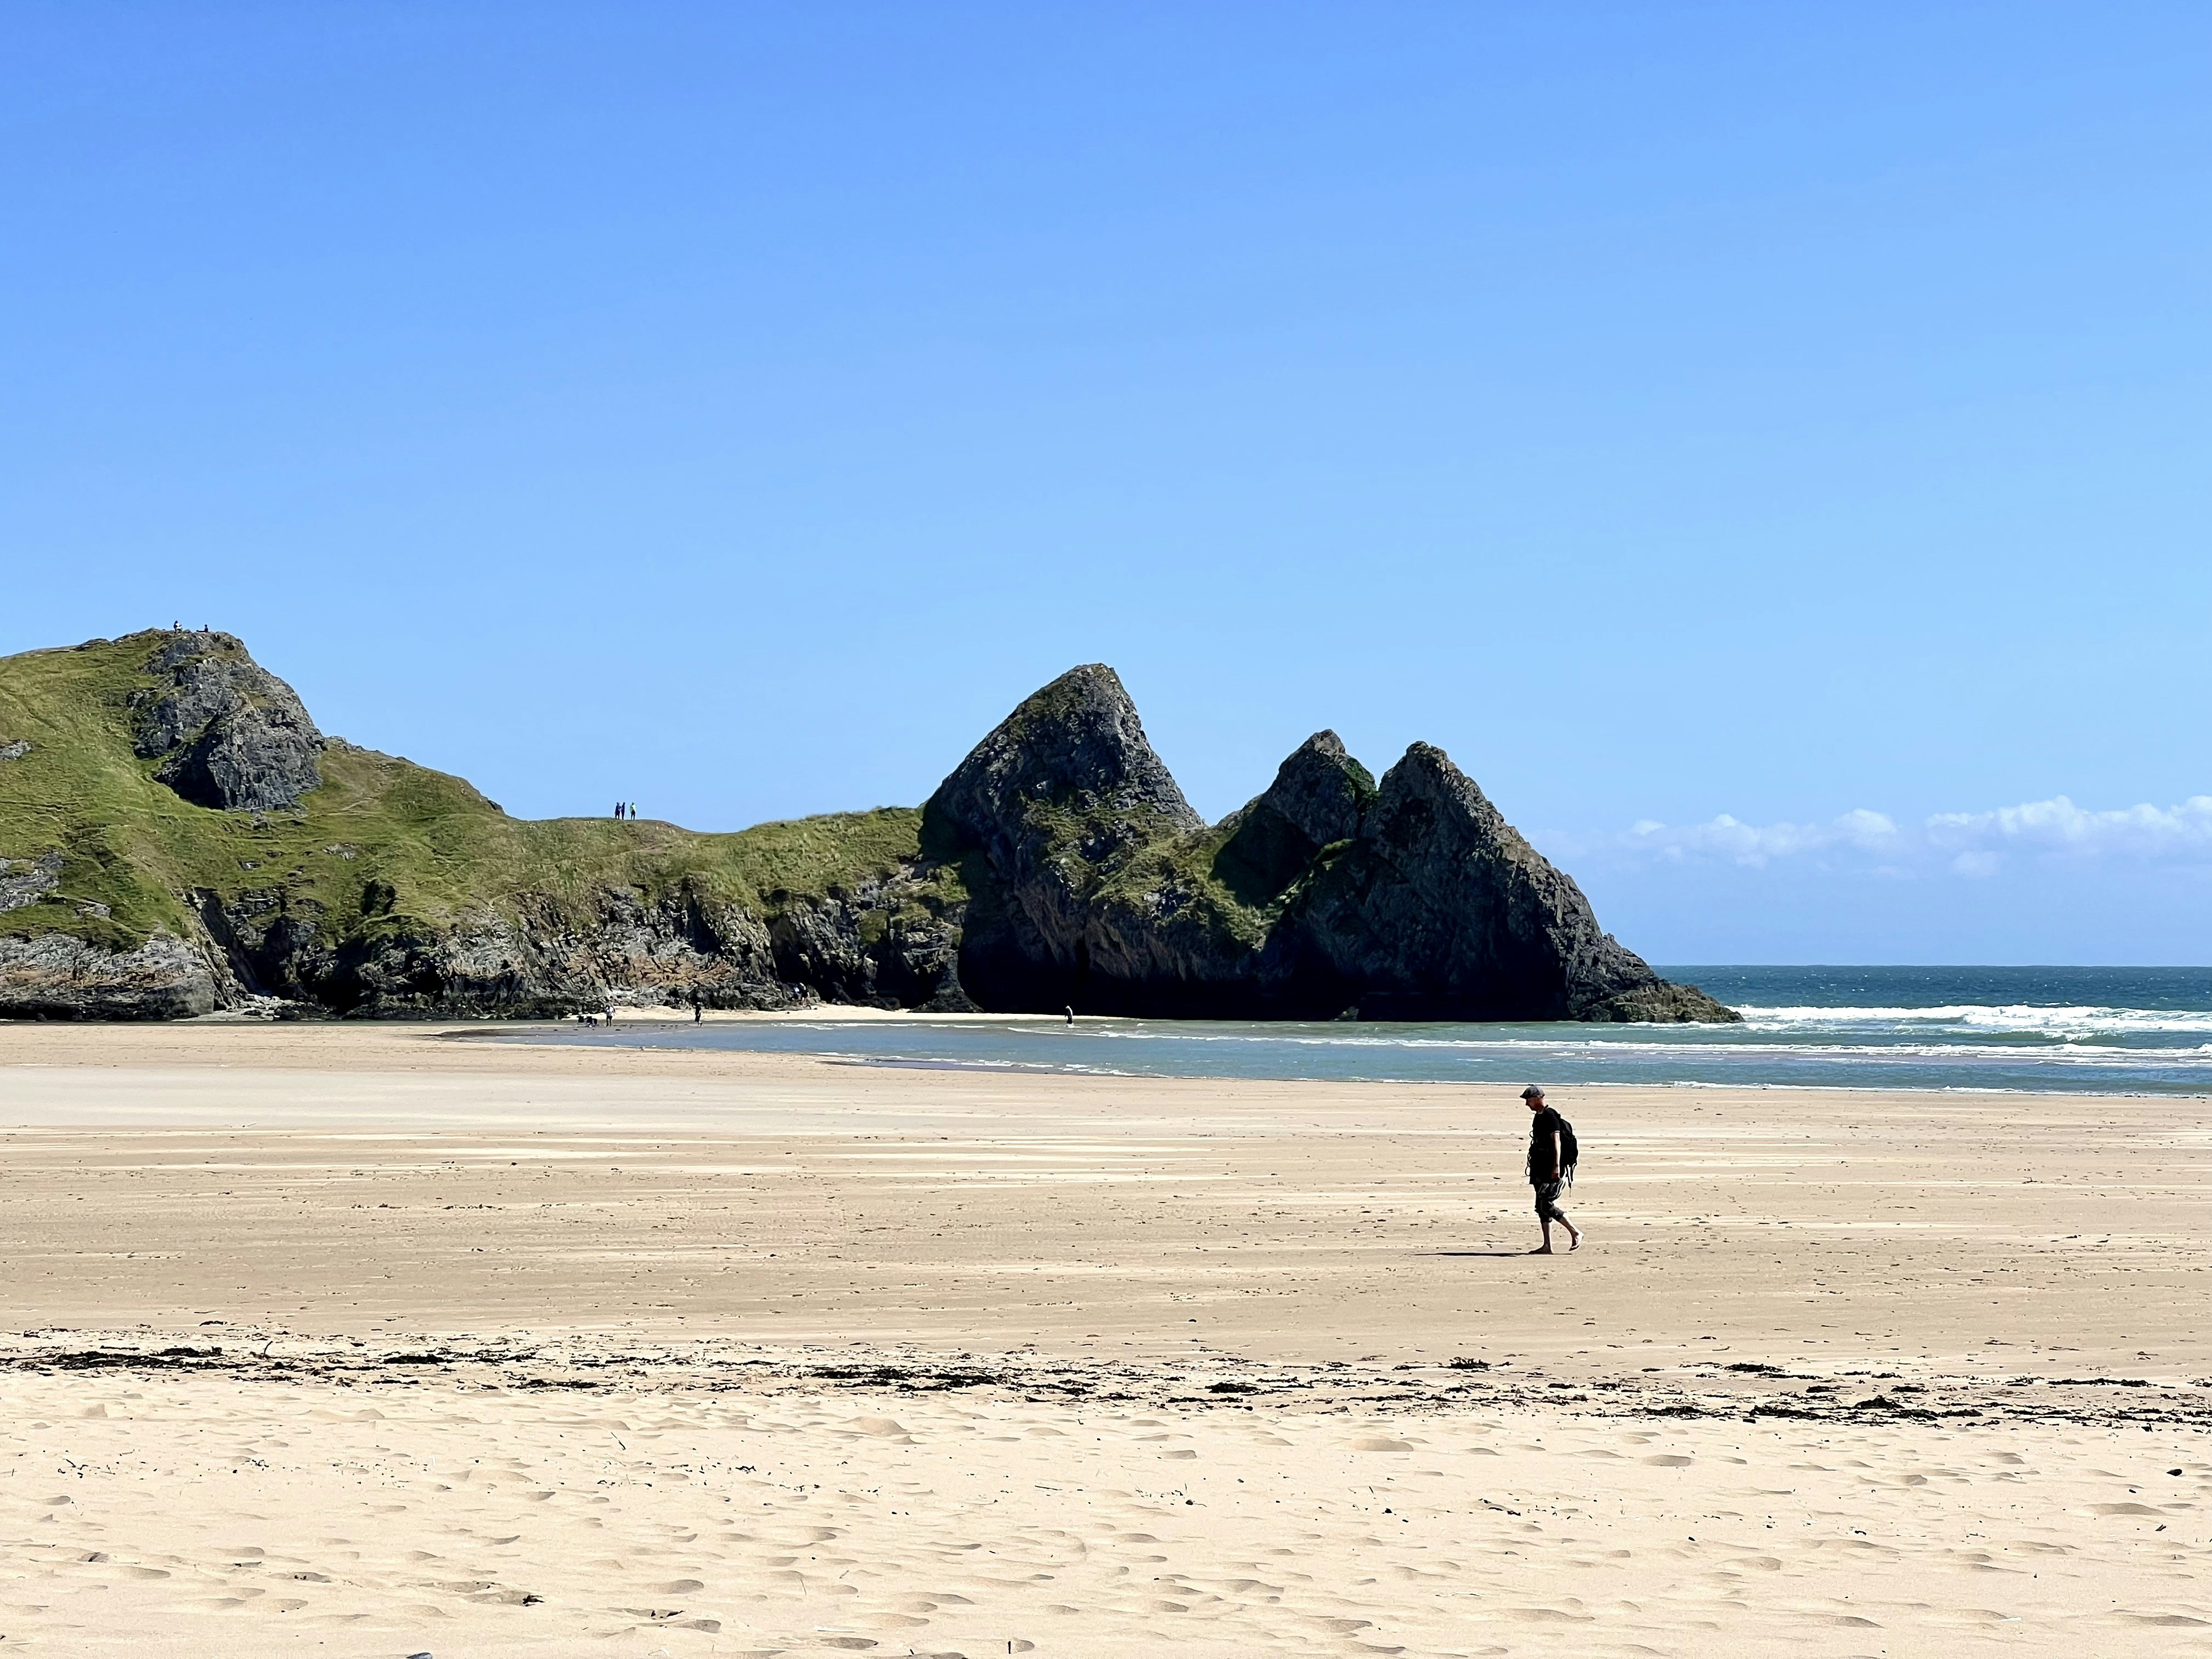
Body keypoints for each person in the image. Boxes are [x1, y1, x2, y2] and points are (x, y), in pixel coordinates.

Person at [1521, 1085, 1581, 1253]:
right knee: (1540, 1207)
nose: (1527, 1104)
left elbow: (1557, 1141)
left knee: (1546, 1205)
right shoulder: (1538, 1117)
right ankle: (1547, 1245)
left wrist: (1556, 1166)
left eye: (1529, 1100)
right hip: (1538, 1166)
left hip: (1550, 1167)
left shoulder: (1550, 1116)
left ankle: (1575, 1232)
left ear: (1538, 1098)